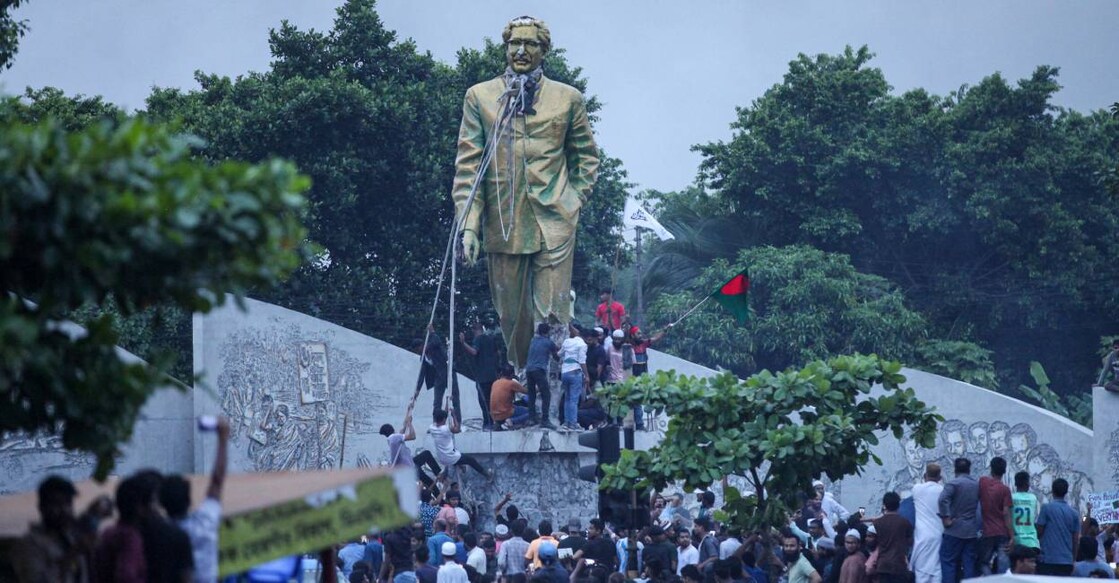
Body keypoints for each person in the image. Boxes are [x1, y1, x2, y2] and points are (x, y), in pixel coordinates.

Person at [452, 15, 600, 368]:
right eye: (513, 43)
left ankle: (551, 396)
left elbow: (587, 158)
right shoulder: (480, 97)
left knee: (552, 316)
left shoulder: (568, 98)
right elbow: (468, 167)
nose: (520, 50)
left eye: (530, 44)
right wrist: (469, 226)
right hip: (504, 223)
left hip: (555, 222)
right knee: (511, 317)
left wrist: (573, 200)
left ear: (543, 50)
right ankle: (523, 384)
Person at [159, 415, 231, 583]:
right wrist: (223, 440)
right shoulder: (204, 523)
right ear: (189, 500)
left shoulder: (159, 533)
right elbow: (217, 481)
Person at [12, 475, 112, 583]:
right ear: (41, 507)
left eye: (68, 503)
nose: (64, 510)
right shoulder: (29, 545)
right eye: (56, 504)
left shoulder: (70, 536)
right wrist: (72, 554)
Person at [94, 475, 150, 583]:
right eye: (151, 502)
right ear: (140, 507)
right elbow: (126, 576)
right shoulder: (130, 537)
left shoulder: (107, 533)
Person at [416, 409, 493, 480]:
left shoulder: (432, 427)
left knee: (456, 456)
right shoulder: (445, 429)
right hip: (450, 457)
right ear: (444, 419)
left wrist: (447, 402)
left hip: (442, 457)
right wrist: (454, 416)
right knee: (471, 460)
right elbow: (457, 429)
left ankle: (451, 471)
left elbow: (442, 418)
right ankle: (487, 475)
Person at [936, 457, 979, 583]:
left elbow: (942, 499)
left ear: (955, 469)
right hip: (971, 531)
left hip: (954, 530)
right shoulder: (976, 485)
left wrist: (946, 518)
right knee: (969, 564)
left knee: (948, 562)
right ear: (969, 469)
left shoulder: (953, 484)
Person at [382, 404, 441, 488]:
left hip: (410, 462)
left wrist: (408, 410)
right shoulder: (394, 438)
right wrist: (410, 423)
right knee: (429, 482)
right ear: (392, 429)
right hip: (409, 468)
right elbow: (413, 436)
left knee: (426, 454)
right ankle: (441, 498)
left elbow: (404, 427)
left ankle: (439, 474)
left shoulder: (392, 439)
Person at [460, 318, 504, 430]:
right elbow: (498, 353)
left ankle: (487, 423)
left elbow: (474, 352)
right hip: (493, 375)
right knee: (493, 400)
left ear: (475, 330)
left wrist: (463, 343)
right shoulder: (490, 339)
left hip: (482, 377)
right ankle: (497, 422)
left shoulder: (478, 339)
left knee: (483, 400)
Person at [1035, 477, 1081, 576]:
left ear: (1052, 490)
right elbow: (1076, 540)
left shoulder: (1046, 508)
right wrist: (1073, 560)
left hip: (1048, 560)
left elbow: (1039, 532)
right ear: (1066, 492)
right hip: (1066, 561)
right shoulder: (1074, 513)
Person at [976, 456, 1013, 576]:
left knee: (983, 563)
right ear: (1004, 471)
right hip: (1002, 532)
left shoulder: (983, 482)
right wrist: (1012, 536)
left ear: (991, 469)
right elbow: (1006, 513)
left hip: (988, 531)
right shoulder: (1005, 489)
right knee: (1003, 565)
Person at [417, 330, 463, 421]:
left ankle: (457, 422)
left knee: (455, 400)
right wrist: (417, 389)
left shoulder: (434, 348)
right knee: (437, 402)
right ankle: (436, 422)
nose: (419, 351)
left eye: (420, 348)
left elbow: (437, 340)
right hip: (438, 378)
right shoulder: (423, 358)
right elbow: (421, 374)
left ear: (423, 346)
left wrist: (432, 332)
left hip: (449, 374)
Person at [910, 463, 944, 583]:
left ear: (925, 475)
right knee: (936, 568)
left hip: (922, 535)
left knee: (922, 570)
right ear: (940, 478)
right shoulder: (942, 491)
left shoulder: (917, 489)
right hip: (938, 534)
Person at [872, 492, 913, 583]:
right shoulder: (904, 522)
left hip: (883, 565)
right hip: (899, 565)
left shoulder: (878, 523)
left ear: (884, 505)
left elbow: (874, 543)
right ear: (899, 505)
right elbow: (910, 541)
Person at [524, 322, 559, 427]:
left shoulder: (533, 341)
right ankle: (545, 420)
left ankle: (531, 418)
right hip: (539, 370)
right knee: (546, 395)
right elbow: (556, 357)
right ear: (548, 331)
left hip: (529, 370)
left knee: (532, 395)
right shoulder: (549, 342)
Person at [558, 323, 589, 432]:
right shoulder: (582, 345)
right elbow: (582, 361)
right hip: (575, 372)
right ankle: (574, 423)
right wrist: (587, 376)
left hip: (565, 372)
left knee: (567, 398)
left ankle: (566, 422)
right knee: (574, 399)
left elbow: (559, 354)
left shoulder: (567, 342)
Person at [1009, 471, 1040, 551]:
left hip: (1016, 541)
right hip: (1031, 541)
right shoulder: (1033, 498)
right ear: (1027, 484)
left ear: (1015, 484)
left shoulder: (1011, 497)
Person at [497, 518, 531, 583]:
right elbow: (529, 563)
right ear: (523, 531)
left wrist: (503, 570)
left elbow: (501, 562)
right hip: (523, 577)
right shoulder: (528, 545)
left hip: (509, 576)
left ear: (511, 531)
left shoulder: (505, 544)